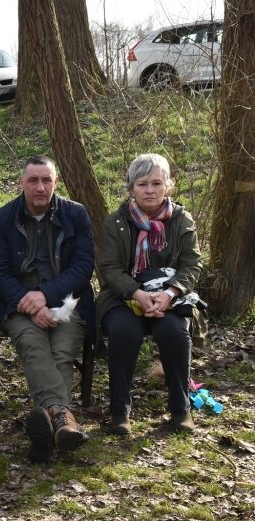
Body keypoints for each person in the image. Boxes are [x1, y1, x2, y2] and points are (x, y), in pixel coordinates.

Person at [0, 155, 95, 463]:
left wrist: (45, 295)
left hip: (67, 302)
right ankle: (64, 421)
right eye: (33, 180)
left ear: (55, 183)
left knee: (62, 350)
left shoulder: (76, 214)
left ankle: (48, 425)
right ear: (21, 183)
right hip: (18, 304)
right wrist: (29, 302)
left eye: (46, 180)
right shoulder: (1, 218)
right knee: (34, 346)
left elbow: (83, 265)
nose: (40, 187)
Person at [97, 153, 202, 436]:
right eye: (142, 184)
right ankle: (120, 413)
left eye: (157, 183)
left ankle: (181, 410)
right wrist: (137, 294)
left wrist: (168, 294)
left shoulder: (182, 220)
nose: (150, 190)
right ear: (131, 188)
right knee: (124, 332)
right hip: (123, 298)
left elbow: (192, 264)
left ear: (168, 185)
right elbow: (108, 267)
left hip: (170, 298)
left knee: (174, 332)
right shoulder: (115, 222)